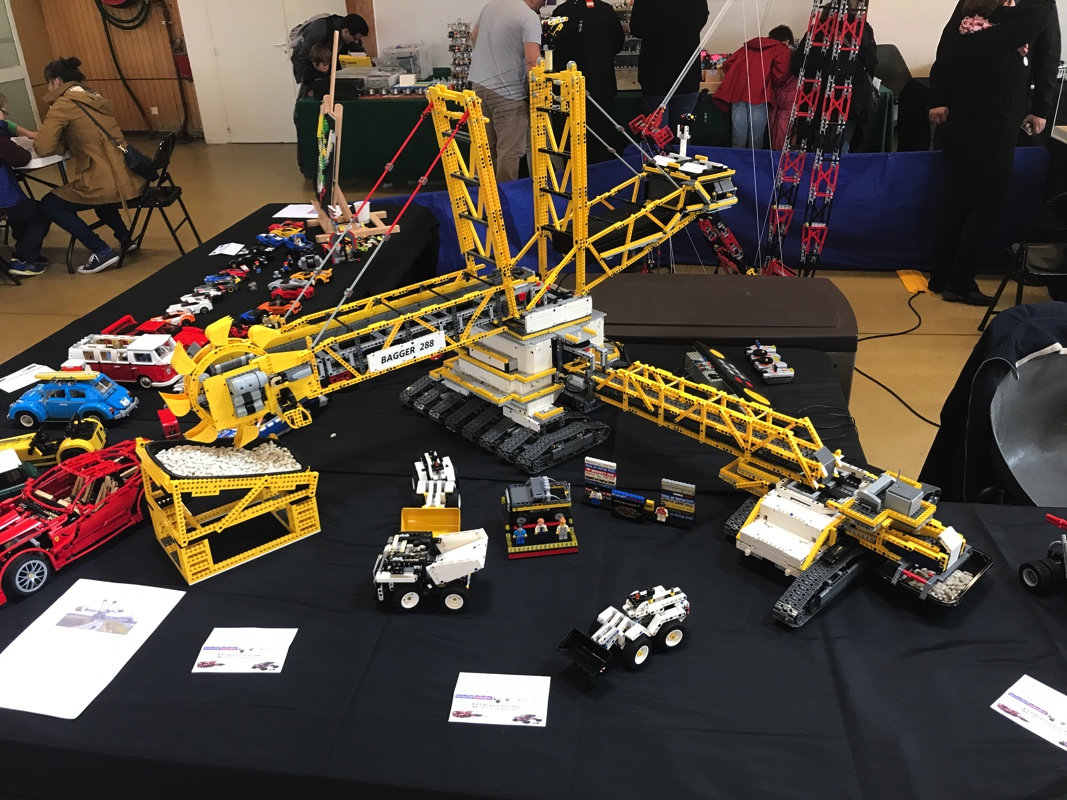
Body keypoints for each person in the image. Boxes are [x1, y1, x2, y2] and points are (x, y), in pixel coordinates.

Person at [927, 0, 1050, 304]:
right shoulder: (1000, 35)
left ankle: (940, 276)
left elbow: (942, 62)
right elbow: (1040, 13)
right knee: (986, 210)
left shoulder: (967, 31)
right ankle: (960, 283)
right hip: (992, 135)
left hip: (960, 130)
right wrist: (1003, 14)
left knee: (956, 203)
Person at [35, 57, 145, 275]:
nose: (48, 89)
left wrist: (39, 138)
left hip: (104, 179)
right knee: (96, 194)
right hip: (127, 175)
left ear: (56, 81)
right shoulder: (94, 97)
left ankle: (100, 250)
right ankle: (125, 237)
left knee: (49, 204)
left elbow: (43, 147)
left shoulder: (64, 104)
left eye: (48, 83)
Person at [468, 0, 545, 183]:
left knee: (484, 148)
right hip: (509, 95)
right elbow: (533, 61)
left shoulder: (491, 5)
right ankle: (504, 196)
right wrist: (538, 96)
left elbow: (474, 37)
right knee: (509, 152)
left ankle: (483, 195)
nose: (542, 6)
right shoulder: (528, 17)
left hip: (478, 86)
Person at [790, 1, 878, 154]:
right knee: (840, 148)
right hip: (847, 102)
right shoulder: (860, 30)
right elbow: (870, 64)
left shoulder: (815, 31)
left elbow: (797, 66)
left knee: (810, 149)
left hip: (813, 103)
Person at [629, 0, 709, 132]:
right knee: (682, 136)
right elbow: (700, 21)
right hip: (687, 75)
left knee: (657, 136)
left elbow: (636, 29)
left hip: (655, 75)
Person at [716, 26, 793, 148]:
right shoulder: (781, 48)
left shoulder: (749, 46)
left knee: (738, 139)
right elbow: (780, 75)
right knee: (755, 141)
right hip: (759, 95)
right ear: (786, 42)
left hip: (737, 93)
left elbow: (727, 64)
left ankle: (737, 160)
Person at [0, 95, 51, 277]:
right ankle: (23, 259)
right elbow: (22, 158)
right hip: (3, 200)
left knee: (22, 211)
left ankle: (28, 250)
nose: (6, 117)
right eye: (4, 112)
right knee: (43, 212)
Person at [551, 0, 625, 105]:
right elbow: (618, 43)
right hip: (601, 82)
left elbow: (553, 47)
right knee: (600, 114)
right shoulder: (605, 10)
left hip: (568, 85)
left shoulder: (561, 11)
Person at [290, 13, 368, 83]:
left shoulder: (350, 32)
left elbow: (358, 51)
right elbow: (303, 56)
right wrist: (308, 83)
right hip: (304, 58)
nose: (356, 42)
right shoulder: (319, 31)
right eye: (355, 38)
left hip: (325, 60)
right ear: (346, 31)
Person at [766, 26, 799, 151]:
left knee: (781, 137)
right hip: (785, 105)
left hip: (784, 105)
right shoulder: (798, 56)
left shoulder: (785, 57)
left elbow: (779, 78)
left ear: (785, 42)